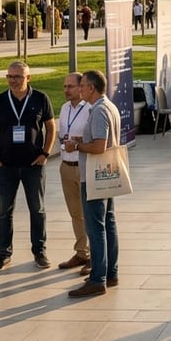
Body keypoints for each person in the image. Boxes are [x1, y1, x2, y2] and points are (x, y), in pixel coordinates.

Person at [0, 61, 56, 272]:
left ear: (28, 78)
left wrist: (45, 153)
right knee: (4, 211)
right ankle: (4, 253)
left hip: (33, 165)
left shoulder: (40, 99)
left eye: (18, 77)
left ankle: (39, 251)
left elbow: (51, 127)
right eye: (10, 76)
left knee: (37, 209)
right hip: (5, 166)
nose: (13, 81)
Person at [66, 70, 121, 297]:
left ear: (91, 88)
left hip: (95, 176)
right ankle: (110, 272)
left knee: (96, 227)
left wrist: (76, 147)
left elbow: (100, 146)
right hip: (107, 175)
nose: (79, 89)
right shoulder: (109, 106)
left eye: (83, 85)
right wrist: (83, 140)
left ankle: (98, 278)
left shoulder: (98, 110)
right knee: (108, 223)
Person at [55, 73, 92, 274]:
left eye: (70, 86)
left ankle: (95, 256)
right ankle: (81, 252)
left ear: (81, 87)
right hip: (66, 166)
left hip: (84, 165)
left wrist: (78, 142)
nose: (66, 90)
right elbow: (63, 134)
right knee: (75, 213)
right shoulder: (64, 108)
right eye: (64, 86)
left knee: (90, 213)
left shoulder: (91, 109)